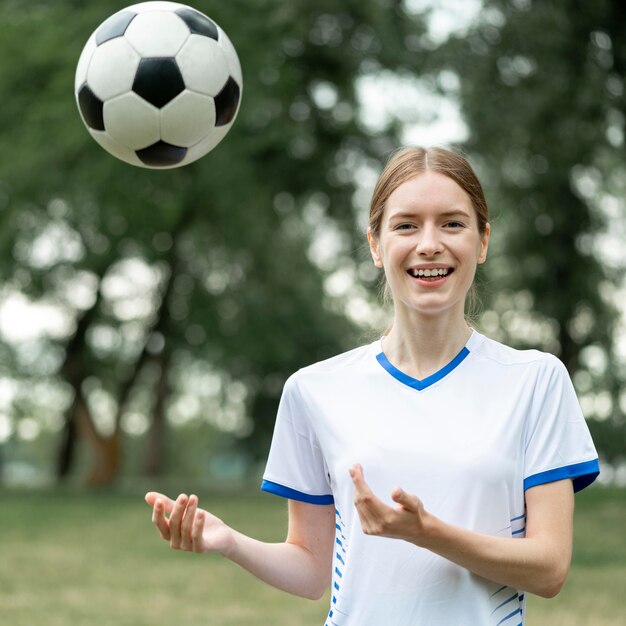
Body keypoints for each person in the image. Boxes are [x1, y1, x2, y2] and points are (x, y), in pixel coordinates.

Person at [146, 146, 600, 625]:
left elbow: (549, 569)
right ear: (375, 245)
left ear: (482, 241)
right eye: (406, 225)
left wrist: (427, 532)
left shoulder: (536, 381)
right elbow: (310, 568)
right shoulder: (313, 390)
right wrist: (228, 541)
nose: (429, 243)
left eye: (452, 223)